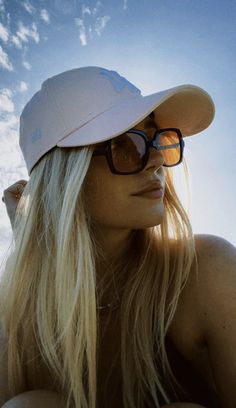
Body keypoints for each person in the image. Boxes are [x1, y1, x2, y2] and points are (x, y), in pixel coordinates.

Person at [0, 66, 236, 408]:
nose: (156, 159)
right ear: (66, 177)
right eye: (124, 145)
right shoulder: (18, 315)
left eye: (160, 139)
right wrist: (33, 243)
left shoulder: (203, 270)